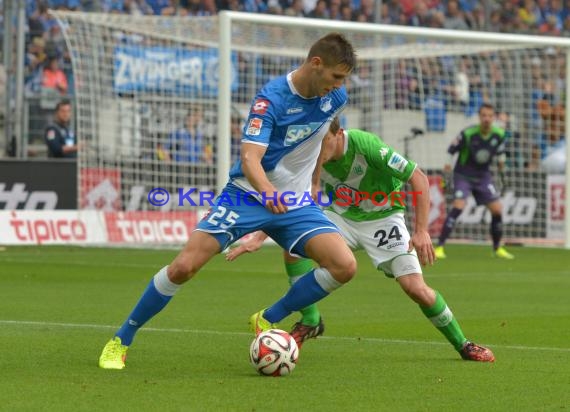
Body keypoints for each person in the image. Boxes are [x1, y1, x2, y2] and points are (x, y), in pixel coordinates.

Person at [98, 32, 358, 370]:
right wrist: (268, 191)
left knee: (344, 266)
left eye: (344, 79)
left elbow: (324, 137)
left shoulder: (336, 98)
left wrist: (311, 184)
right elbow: (250, 158)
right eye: (336, 76)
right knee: (184, 267)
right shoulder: (271, 100)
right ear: (316, 63)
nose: (339, 85)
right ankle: (122, 339)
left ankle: (269, 316)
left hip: (294, 202)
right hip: (247, 195)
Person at [228, 118, 495, 362]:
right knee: (294, 249)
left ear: (339, 134)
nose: (320, 150)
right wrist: (260, 237)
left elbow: (419, 178)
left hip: (384, 218)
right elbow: (293, 197)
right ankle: (309, 320)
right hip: (340, 216)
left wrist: (421, 230)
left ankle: (463, 344)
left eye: (325, 142)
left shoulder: (367, 146)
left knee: (416, 288)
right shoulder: (309, 155)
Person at [435, 103, 513, 260]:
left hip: (483, 176)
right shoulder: (468, 134)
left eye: (490, 116)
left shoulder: (499, 134)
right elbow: (451, 152)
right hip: (463, 174)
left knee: (497, 209)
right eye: (484, 115)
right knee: (459, 205)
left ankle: (497, 248)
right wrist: (446, 174)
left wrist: (503, 173)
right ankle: (440, 246)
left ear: (493, 118)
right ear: (479, 117)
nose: (486, 119)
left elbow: (501, 154)